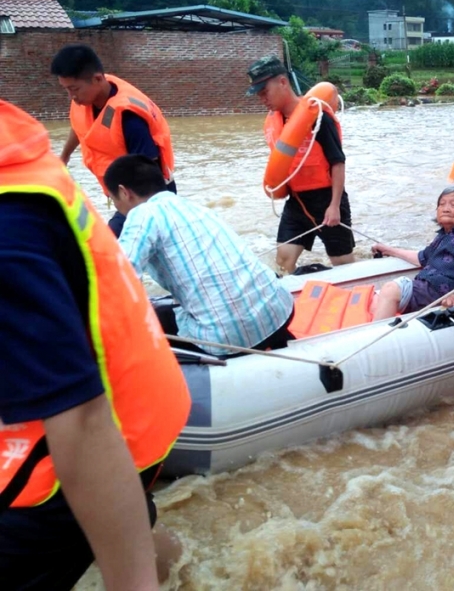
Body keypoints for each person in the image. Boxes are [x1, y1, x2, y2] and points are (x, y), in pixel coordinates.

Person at [0, 99, 189, 590]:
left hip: (90, 440)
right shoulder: (25, 162)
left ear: (123, 194)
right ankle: (179, 567)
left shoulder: (12, 221)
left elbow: (80, 419)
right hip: (144, 406)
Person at [104, 154, 295, 355]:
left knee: (153, 320)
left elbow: (123, 278)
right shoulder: (193, 207)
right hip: (280, 311)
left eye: (111, 199)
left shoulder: (142, 214)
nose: (115, 207)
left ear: (124, 192)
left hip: (227, 337)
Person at [50, 44, 177, 238]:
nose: (71, 97)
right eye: (66, 90)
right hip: (123, 192)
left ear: (98, 79)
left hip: (150, 193)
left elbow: (147, 172)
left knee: (113, 245)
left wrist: (124, 216)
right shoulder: (85, 99)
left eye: (74, 89)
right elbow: (80, 126)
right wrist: (64, 157)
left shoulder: (129, 117)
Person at [247, 55, 355, 273]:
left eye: (264, 92)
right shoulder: (275, 123)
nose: (262, 99)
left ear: (283, 82)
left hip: (327, 199)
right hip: (297, 201)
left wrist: (334, 206)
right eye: (259, 95)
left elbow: (338, 162)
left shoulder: (318, 117)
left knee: (343, 264)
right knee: (283, 260)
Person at [370, 186, 454, 320]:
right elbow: (422, 257)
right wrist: (389, 250)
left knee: (390, 290)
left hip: (446, 292)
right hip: (429, 290)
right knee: (377, 300)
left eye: (453, 204)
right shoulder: (445, 234)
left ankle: (375, 338)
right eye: (441, 204)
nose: (446, 209)